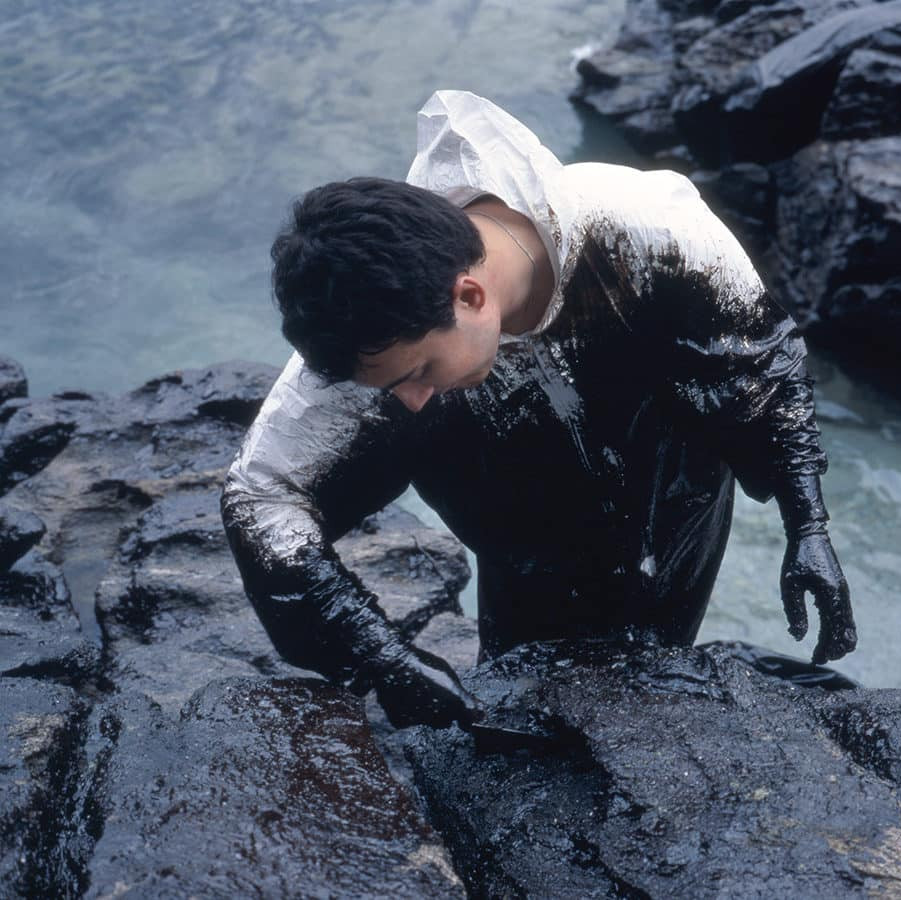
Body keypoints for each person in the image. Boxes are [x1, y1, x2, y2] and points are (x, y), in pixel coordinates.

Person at [221, 90, 856, 730]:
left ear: (469, 294)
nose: (409, 399)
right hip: (522, 554)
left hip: (680, 511)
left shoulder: (649, 227)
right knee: (524, 716)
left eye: (418, 374)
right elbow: (261, 497)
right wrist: (384, 660)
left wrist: (808, 527)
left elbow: (759, 360)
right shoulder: (369, 326)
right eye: (391, 388)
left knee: (658, 692)